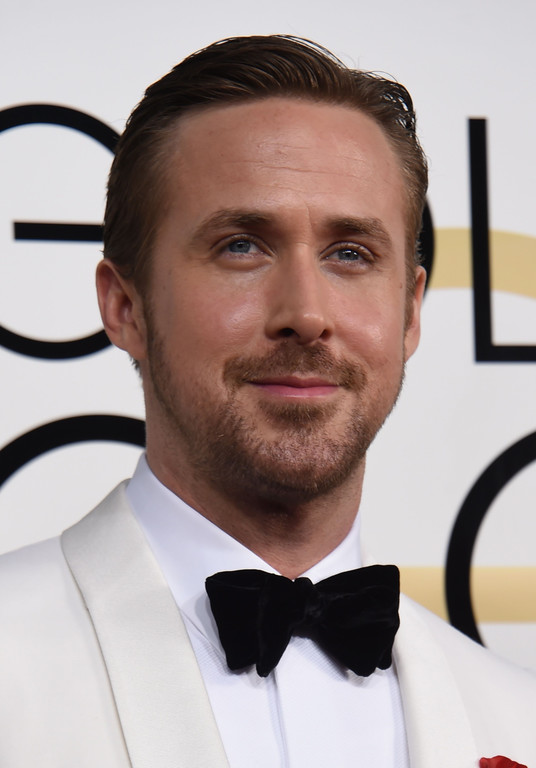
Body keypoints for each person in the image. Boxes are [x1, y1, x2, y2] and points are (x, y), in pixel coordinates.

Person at [1, 35, 535, 768]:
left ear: (410, 313)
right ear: (125, 306)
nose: (306, 314)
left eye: (350, 253)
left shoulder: (517, 717)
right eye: (242, 246)